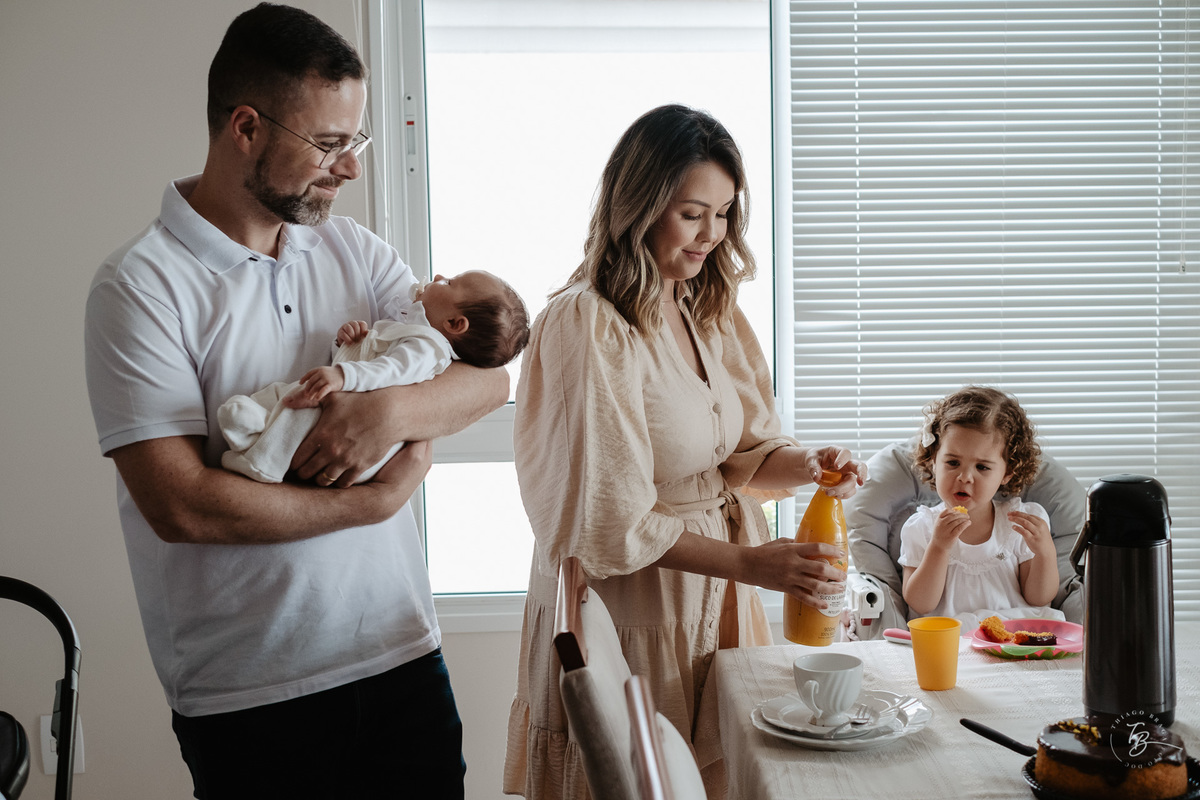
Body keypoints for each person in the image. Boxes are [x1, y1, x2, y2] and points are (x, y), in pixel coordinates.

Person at [83, 5, 508, 798]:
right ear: (246, 128)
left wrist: (385, 416)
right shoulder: (139, 287)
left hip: (400, 655)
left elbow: (487, 379)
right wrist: (369, 503)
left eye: (357, 142)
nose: (350, 169)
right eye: (329, 144)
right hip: (249, 694)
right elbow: (181, 505)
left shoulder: (355, 250)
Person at [502, 104, 868, 799]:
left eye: (724, 213)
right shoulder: (588, 322)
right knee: (645, 779)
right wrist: (752, 564)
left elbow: (745, 454)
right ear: (638, 207)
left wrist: (810, 465)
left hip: (716, 593)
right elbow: (606, 518)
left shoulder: (706, 305)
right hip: (632, 604)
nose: (712, 234)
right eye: (692, 213)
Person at [219, 269, 529, 483]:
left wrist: (343, 375)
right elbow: (371, 356)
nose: (437, 277)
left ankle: (263, 462)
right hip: (353, 405)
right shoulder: (414, 332)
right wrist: (350, 341)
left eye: (449, 283)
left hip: (359, 439)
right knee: (289, 394)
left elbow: (389, 371)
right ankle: (257, 422)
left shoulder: (428, 347)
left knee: (302, 410)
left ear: (454, 323)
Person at [899, 386, 1062, 627]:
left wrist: (1045, 554)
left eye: (982, 467)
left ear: (1007, 473)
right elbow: (920, 604)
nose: (965, 477)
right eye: (952, 462)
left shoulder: (1021, 522)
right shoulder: (921, 527)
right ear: (934, 461)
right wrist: (939, 547)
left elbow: (1038, 598)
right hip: (952, 637)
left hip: (1011, 634)